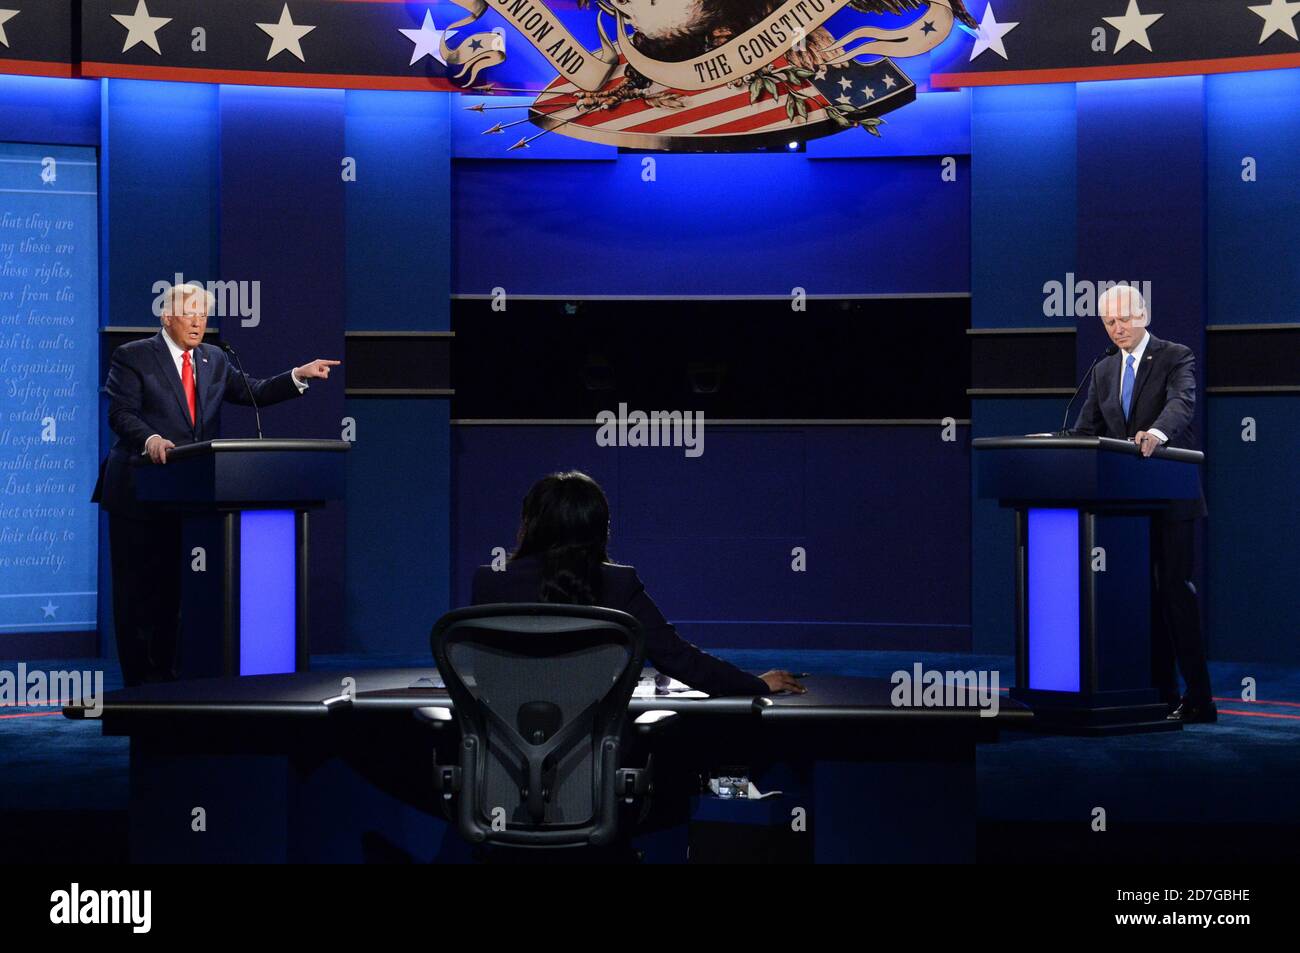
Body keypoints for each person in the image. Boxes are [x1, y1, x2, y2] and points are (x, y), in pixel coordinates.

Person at [92, 283, 340, 686]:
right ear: (167, 316)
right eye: (189, 313)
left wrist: (297, 375)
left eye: (203, 315)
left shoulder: (214, 359)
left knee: (174, 594)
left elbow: (252, 391)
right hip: (138, 492)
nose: (198, 321)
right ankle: (141, 687)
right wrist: (151, 439)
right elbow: (121, 413)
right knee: (139, 596)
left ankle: (170, 682)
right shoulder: (134, 356)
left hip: (187, 494)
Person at [471, 471, 805, 697]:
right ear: (598, 528)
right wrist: (755, 685)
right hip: (596, 754)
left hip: (503, 751)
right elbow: (678, 659)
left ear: (530, 524)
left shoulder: (490, 581)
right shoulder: (617, 583)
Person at [1072, 284, 1214, 723]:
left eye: (1124, 319)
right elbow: (1084, 430)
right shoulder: (1102, 370)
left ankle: (1199, 699)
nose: (1117, 329)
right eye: (1109, 323)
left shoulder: (1176, 356)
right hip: (1123, 508)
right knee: (1138, 599)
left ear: (1144, 314)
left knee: (1175, 595)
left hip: (1171, 498)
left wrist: (1156, 433)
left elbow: (1182, 404)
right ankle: (1157, 693)